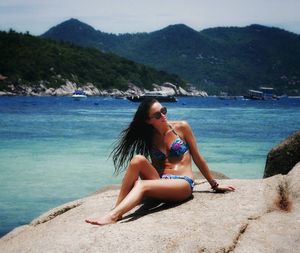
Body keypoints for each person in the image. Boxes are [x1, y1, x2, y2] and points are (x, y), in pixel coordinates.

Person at [85, 98, 235, 225]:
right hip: (161, 182)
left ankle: (113, 216)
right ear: (148, 120)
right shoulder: (149, 137)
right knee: (137, 159)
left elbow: (197, 157)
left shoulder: (182, 127)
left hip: (182, 183)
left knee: (141, 184)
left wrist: (214, 184)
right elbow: (152, 167)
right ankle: (117, 210)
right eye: (157, 115)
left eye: (164, 110)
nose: (163, 115)